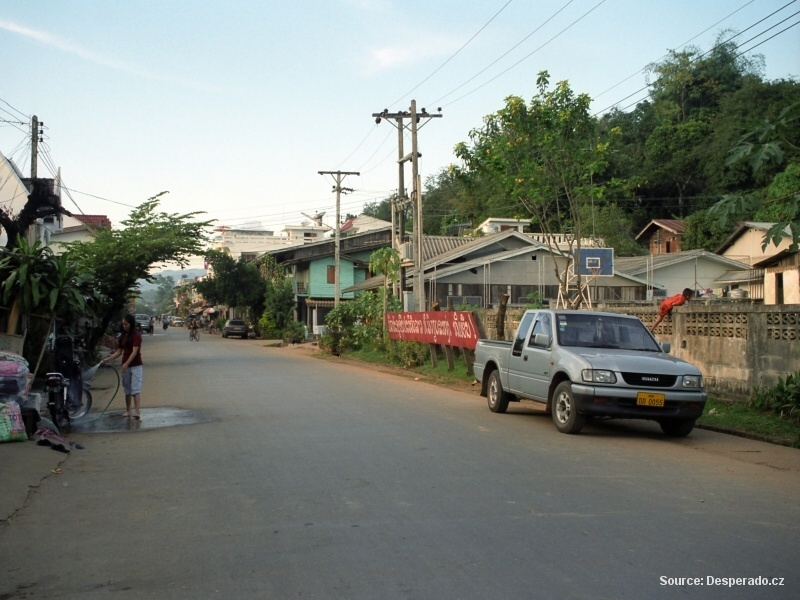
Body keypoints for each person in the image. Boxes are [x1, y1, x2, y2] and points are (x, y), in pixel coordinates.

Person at [101, 314, 143, 419]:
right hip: (126, 366)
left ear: (131, 324)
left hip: (136, 365)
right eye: (123, 324)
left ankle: (137, 411)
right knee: (127, 389)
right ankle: (128, 410)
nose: (124, 326)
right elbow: (119, 352)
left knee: (136, 389)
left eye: (126, 324)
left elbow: (134, 352)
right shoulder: (123, 337)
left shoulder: (136, 336)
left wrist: (126, 364)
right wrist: (107, 359)